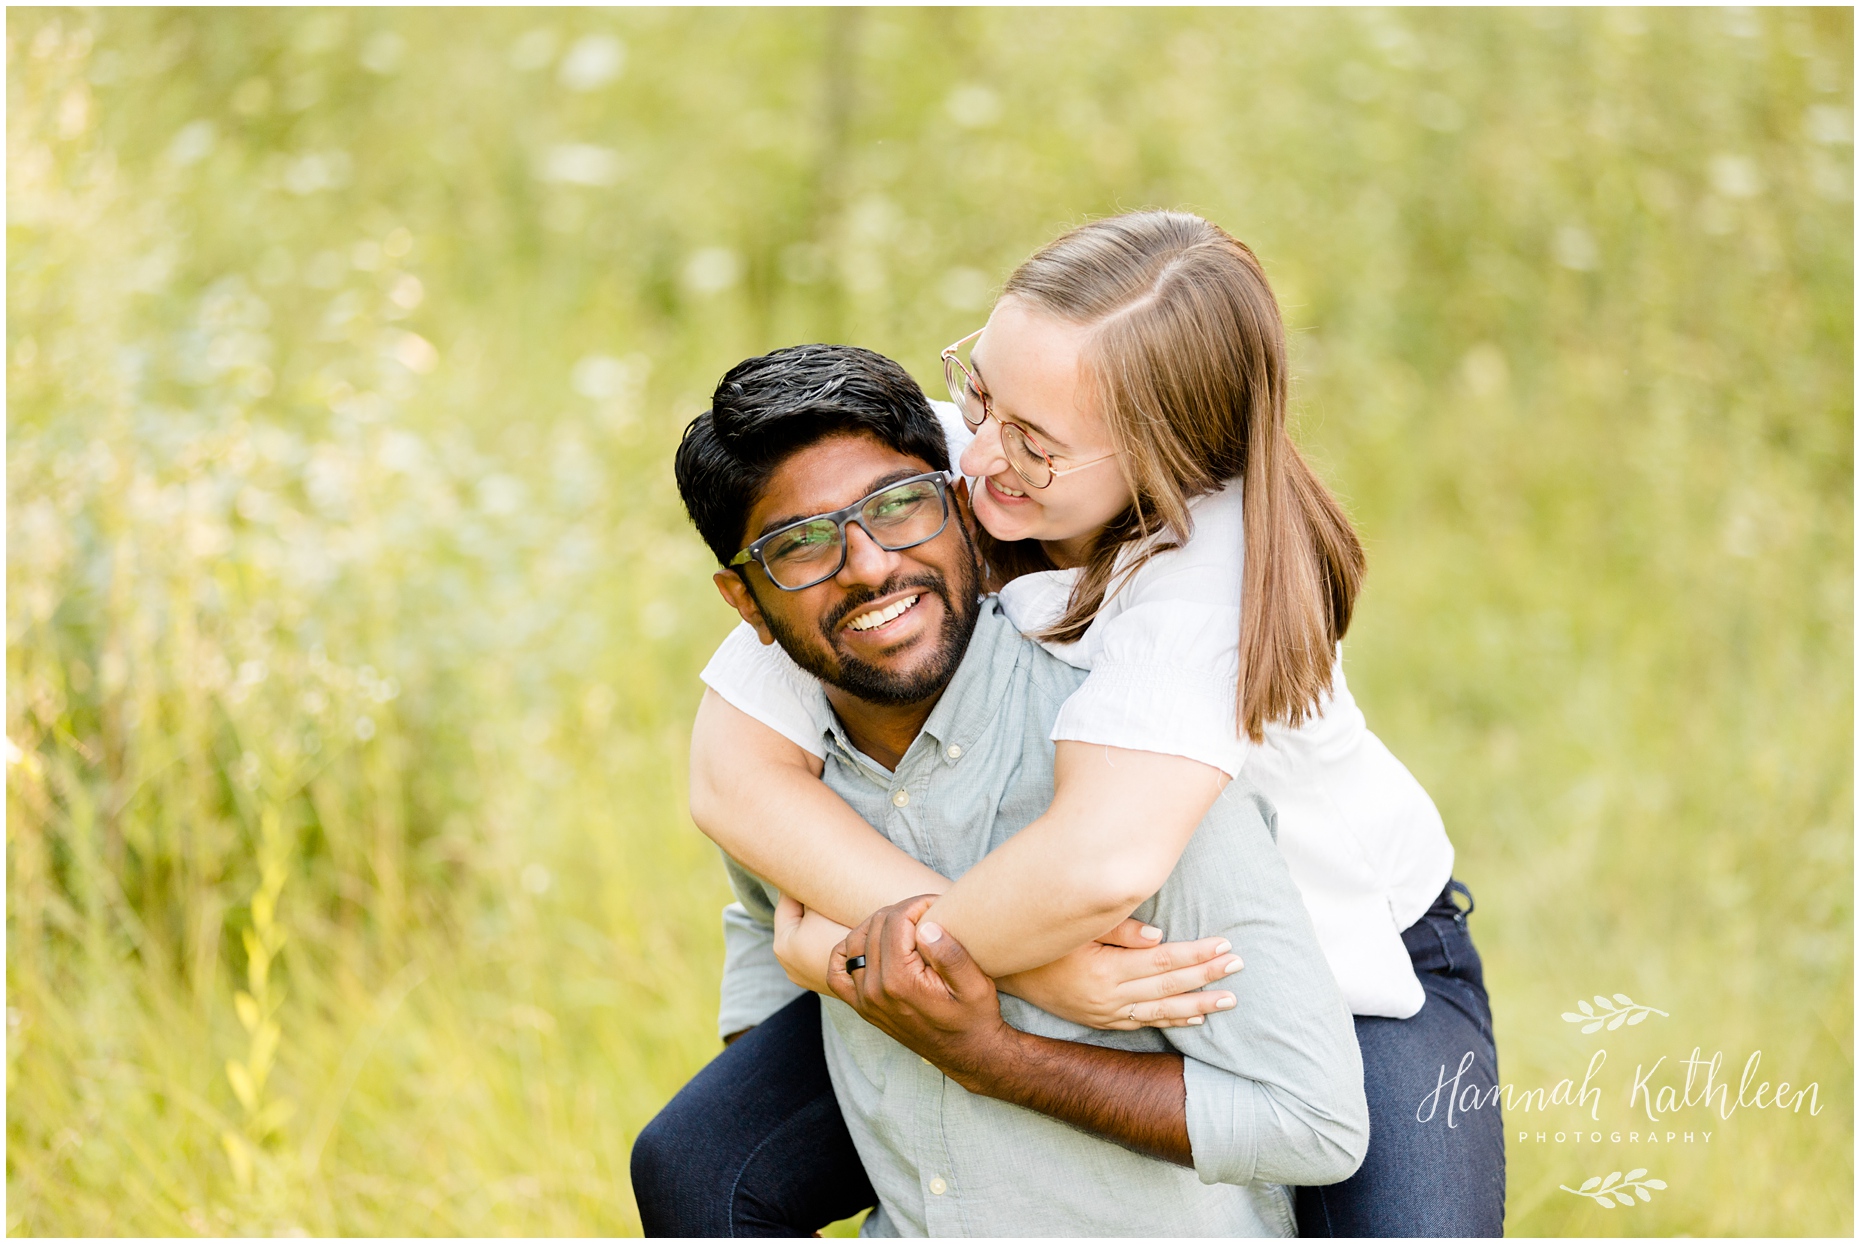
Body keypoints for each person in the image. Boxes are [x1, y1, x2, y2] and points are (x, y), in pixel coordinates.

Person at [668, 211, 1503, 1235]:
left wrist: (841, 953)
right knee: (702, 1159)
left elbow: (1095, 865)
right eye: (981, 393)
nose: (980, 455)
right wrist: (1032, 974)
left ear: (1164, 458)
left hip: (1354, 968)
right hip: (1061, 937)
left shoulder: (1202, 586)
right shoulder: (961, 473)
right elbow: (732, 777)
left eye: (1035, 441)